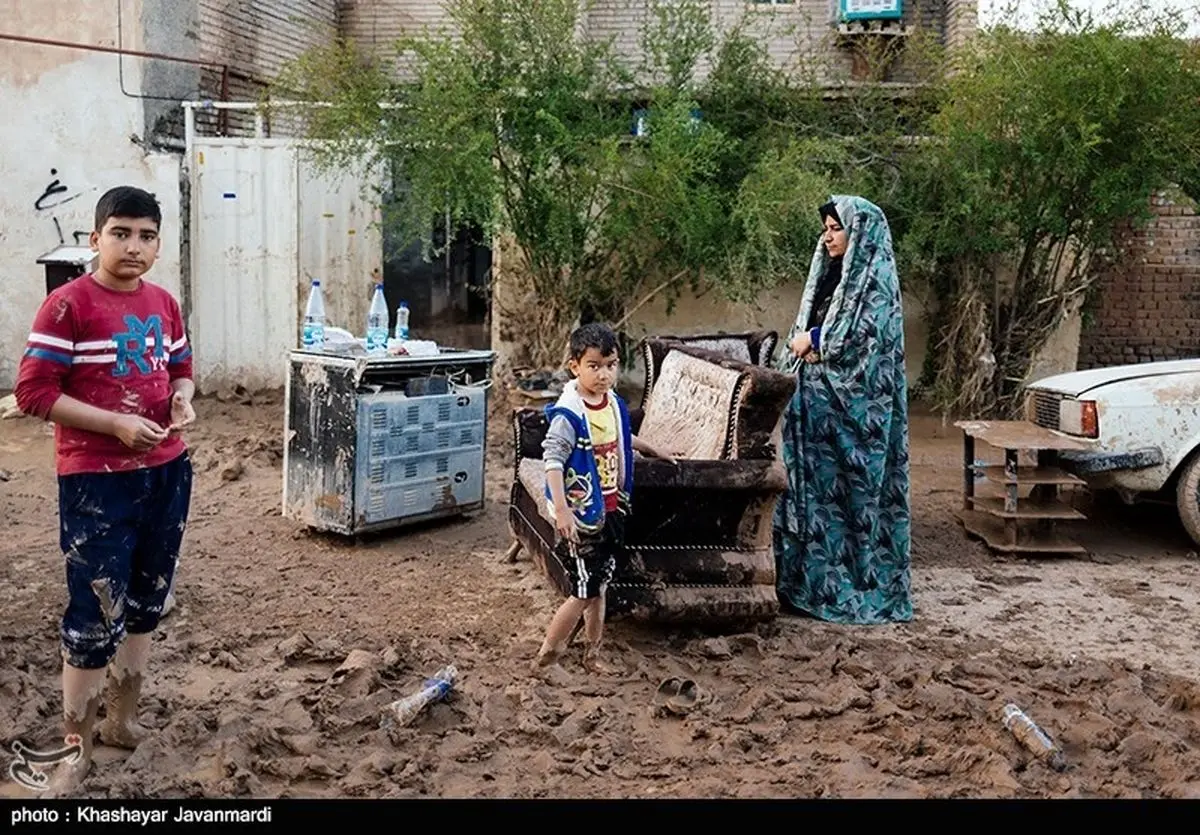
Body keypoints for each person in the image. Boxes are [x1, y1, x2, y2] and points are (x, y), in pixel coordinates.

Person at [14, 185, 196, 795]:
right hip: (96, 482)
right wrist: (115, 424)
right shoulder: (67, 306)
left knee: (147, 600)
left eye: (146, 236)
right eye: (120, 233)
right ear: (95, 239)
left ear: (158, 243)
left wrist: (181, 399)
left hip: (166, 471)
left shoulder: (164, 304)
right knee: (94, 615)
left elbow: (180, 368)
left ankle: (121, 721)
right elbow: (35, 393)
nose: (133, 247)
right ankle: (75, 747)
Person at [771, 194, 913, 624]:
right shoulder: (834, 276)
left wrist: (817, 343)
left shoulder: (875, 284)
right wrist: (812, 343)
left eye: (837, 229)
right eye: (826, 229)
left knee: (846, 498)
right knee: (803, 492)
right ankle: (801, 585)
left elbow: (866, 348)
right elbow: (814, 332)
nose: (828, 237)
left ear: (860, 234)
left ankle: (850, 586)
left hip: (852, 420)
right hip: (813, 408)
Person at [532, 322, 674, 674]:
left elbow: (623, 438)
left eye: (610, 365)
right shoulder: (569, 414)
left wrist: (655, 449)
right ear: (575, 366)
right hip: (581, 517)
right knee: (582, 590)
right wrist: (562, 511)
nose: (603, 374)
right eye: (593, 366)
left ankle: (592, 654)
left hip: (611, 509)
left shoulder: (610, 403)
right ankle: (547, 655)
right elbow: (552, 460)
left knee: (599, 586)